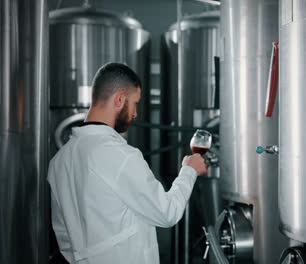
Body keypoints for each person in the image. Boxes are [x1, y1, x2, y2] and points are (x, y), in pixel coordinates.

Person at [47, 62, 208, 264]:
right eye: (135, 103)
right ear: (120, 99)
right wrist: (189, 170)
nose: (135, 114)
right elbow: (166, 213)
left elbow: (64, 238)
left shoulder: (60, 160)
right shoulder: (119, 155)